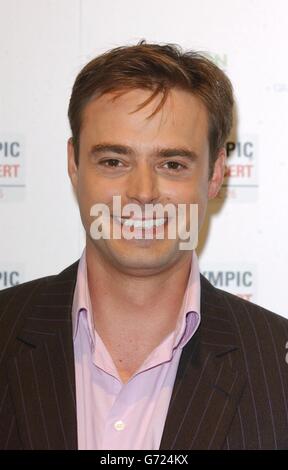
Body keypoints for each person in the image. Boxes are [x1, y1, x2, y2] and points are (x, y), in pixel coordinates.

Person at [0, 41, 288, 451]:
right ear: (74, 165)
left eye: (172, 164)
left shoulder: (276, 363)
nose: (142, 193)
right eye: (114, 161)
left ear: (215, 174)